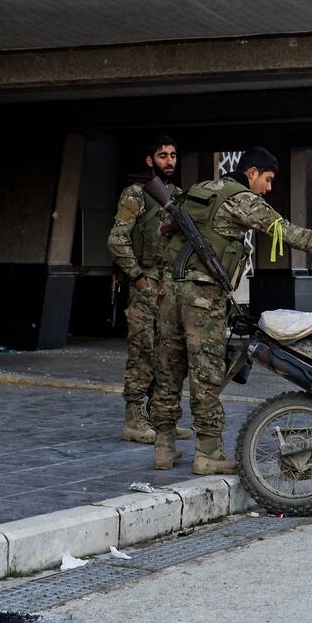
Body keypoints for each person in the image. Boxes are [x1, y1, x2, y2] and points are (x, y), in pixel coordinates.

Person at [150, 146, 312, 474]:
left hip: (169, 293)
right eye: (267, 179)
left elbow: (161, 232)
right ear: (251, 172)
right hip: (202, 297)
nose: (269, 187)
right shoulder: (243, 199)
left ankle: (163, 448)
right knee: (206, 373)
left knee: (168, 368)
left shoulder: (200, 191)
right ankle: (208, 452)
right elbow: (289, 233)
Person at [106, 135, 190, 444]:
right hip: (146, 282)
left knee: (167, 353)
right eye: (162, 155)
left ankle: (160, 418)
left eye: (173, 155)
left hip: (170, 285)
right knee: (142, 349)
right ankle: (133, 419)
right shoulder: (136, 195)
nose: (169, 160)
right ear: (149, 160)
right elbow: (117, 239)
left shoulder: (178, 196)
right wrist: (138, 278)